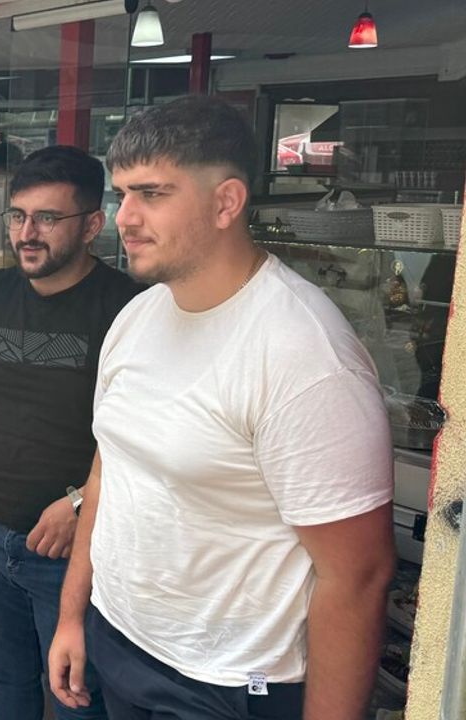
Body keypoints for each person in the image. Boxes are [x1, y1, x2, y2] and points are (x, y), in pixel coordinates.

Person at [48, 96, 394, 720]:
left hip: (232, 683)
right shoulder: (137, 317)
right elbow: (108, 472)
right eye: (122, 194)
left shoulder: (303, 354)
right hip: (120, 640)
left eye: (151, 194)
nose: (124, 218)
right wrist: (74, 614)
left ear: (226, 203)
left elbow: (358, 576)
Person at [0, 146, 140, 720]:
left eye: (47, 218)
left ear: (93, 225)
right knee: (6, 683)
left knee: (78, 698)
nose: (26, 234)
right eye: (18, 216)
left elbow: (146, 438)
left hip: (76, 550)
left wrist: (81, 504)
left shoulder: (129, 310)